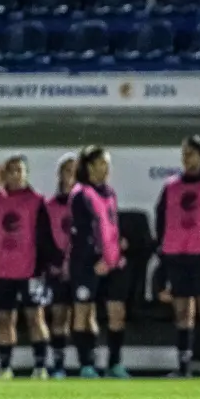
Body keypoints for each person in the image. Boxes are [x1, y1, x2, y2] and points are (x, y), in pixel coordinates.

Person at [0, 155, 58, 379]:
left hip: (30, 270)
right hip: (1, 270)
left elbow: (45, 235)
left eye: (20, 170)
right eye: (11, 170)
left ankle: (40, 367)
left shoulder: (37, 201)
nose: (16, 174)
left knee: (35, 317)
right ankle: (5, 367)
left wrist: (45, 264)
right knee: (5, 318)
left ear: (26, 173)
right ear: (5, 174)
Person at [155, 136, 200, 378]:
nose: (187, 158)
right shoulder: (170, 187)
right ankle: (183, 365)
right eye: (184, 154)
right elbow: (161, 222)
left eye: (192, 154)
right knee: (183, 312)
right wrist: (163, 257)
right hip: (176, 256)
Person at [69, 145, 131, 379]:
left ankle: (114, 363)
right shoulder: (80, 194)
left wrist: (118, 250)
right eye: (99, 164)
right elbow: (83, 232)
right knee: (84, 313)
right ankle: (86, 364)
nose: (105, 169)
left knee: (117, 312)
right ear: (88, 167)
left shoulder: (110, 193)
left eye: (107, 164)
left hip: (113, 264)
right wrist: (96, 258)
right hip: (87, 264)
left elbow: (110, 227)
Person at [44, 153, 76, 378]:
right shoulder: (49, 205)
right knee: (59, 316)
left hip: (82, 268)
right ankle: (58, 365)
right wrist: (56, 263)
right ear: (60, 175)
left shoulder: (89, 201)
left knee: (86, 315)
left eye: (75, 171)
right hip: (57, 270)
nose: (71, 176)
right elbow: (43, 237)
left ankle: (88, 364)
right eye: (67, 171)